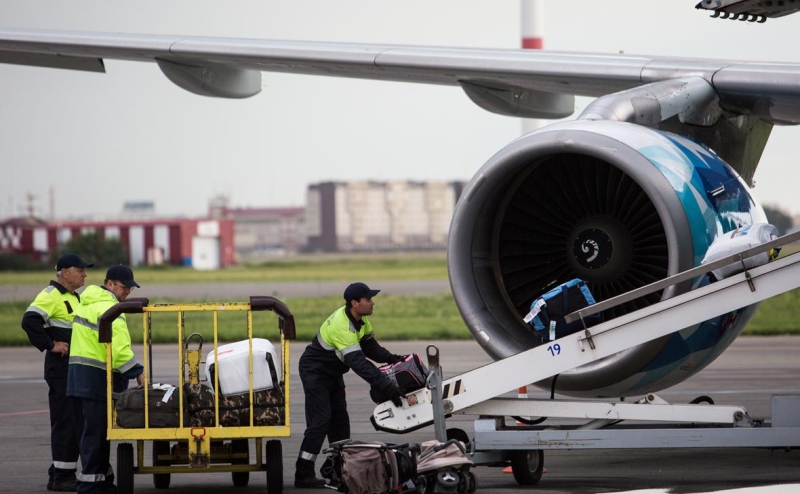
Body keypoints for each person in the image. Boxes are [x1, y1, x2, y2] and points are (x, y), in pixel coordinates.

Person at [294, 282, 407, 489]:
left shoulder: (361, 321)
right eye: (369, 299)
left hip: (333, 373)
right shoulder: (342, 326)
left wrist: (395, 359)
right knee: (321, 420)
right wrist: (387, 387)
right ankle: (303, 473)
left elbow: (371, 349)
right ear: (355, 303)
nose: (373, 303)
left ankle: (337, 470)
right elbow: (359, 364)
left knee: (340, 423)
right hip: (315, 372)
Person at [68, 265, 145, 494]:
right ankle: (91, 487)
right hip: (95, 381)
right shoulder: (110, 309)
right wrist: (138, 373)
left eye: (131, 288)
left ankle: (98, 480)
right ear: (109, 284)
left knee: (88, 435)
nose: (128, 292)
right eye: (124, 287)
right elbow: (120, 352)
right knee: (96, 435)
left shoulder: (87, 303)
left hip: (78, 380)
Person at [21, 253, 94, 492]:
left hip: (72, 370)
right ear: (65, 272)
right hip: (60, 370)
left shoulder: (74, 297)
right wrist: (50, 345)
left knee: (74, 421)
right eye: (80, 270)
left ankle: (60, 472)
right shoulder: (51, 296)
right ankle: (62, 476)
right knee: (65, 421)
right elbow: (29, 320)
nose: (84, 274)